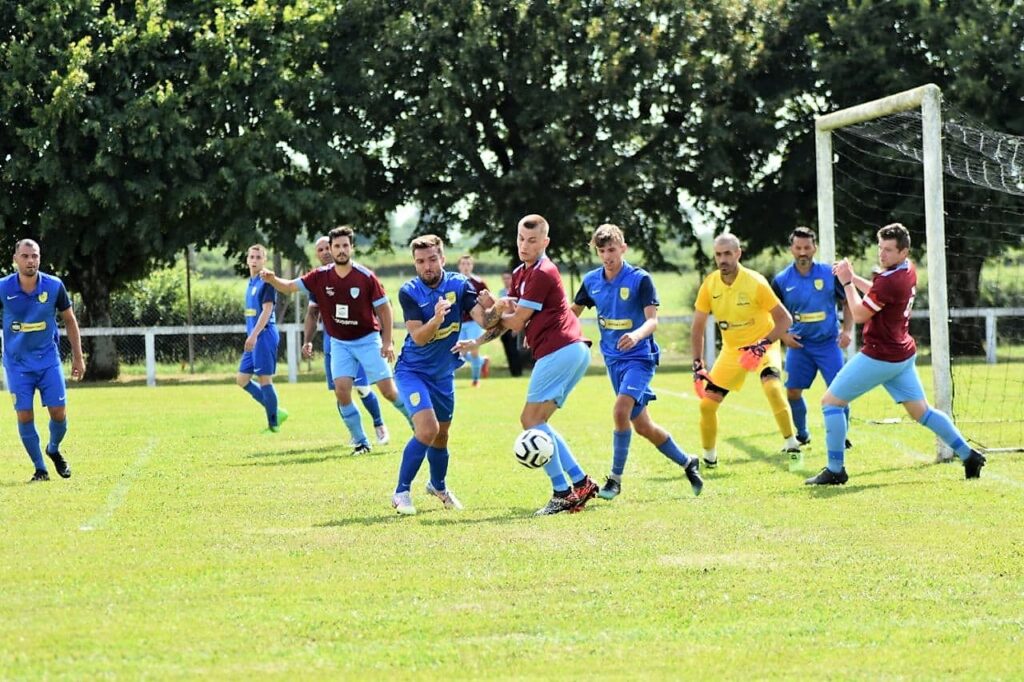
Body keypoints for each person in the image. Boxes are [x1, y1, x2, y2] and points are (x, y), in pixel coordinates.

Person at [806, 222, 986, 484]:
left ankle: (836, 470)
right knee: (922, 412)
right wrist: (855, 279)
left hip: (880, 356)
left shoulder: (892, 280)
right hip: (901, 354)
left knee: (831, 403)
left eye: (889, 250)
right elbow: (878, 293)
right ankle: (969, 455)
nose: (882, 254)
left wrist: (846, 283)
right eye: (880, 248)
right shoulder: (907, 270)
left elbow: (858, 314)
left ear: (903, 252)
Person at [456, 214, 599, 516]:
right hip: (571, 351)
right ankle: (581, 483)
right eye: (521, 238)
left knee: (529, 420)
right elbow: (503, 321)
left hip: (560, 350)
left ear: (545, 242)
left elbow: (517, 321)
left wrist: (491, 306)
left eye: (532, 240)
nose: (524, 244)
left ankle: (562, 492)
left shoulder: (543, 272)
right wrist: (477, 341)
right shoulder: (522, 273)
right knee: (540, 423)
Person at [571, 224, 703, 499]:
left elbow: (652, 320)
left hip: (640, 358)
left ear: (623, 248)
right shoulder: (592, 281)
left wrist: (636, 334)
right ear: (597, 252)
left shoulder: (640, 279)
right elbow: (571, 314)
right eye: (602, 250)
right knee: (643, 427)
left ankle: (615, 480)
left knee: (620, 411)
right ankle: (688, 461)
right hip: (613, 360)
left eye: (612, 249)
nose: (608, 256)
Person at [260, 225, 411, 454]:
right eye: (337, 246)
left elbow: (385, 310)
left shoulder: (366, 277)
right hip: (340, 342)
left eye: (345, 246)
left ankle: (418, 425)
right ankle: (361, 442)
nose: (341, 250)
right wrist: (272, 280)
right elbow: (290, 287)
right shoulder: (319, 276)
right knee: (342, 391)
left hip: (368, 339)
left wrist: (388, 341)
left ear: (351, 248)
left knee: (388, 391)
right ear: (330, 249)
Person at [390, 235, 494, 515]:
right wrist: (435, 319)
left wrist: (493, 306)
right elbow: (419, 338)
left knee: (442, 436)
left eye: (432, 259)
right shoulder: (409, 291)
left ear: (443, 259)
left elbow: (486, 322)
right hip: (412, 370)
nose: (427, 266)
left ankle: (438, 485)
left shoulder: (459, 284)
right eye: (420, 261)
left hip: (443, 373)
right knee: (427, 429)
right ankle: (401, 492)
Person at [691, 233, 801, 468]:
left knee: (772, 387)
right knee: (706, 406)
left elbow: (785, 320)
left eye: (728, 253)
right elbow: (698, 327)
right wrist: (697, 364)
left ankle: (792, 446)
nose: (723, 259)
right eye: (719, 254)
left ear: (738, 253)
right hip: (732, 352)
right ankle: (709, 460)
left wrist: (762, 344)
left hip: (764, 345)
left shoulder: (756, 282)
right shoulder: (710, 284)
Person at [0, 239, 85, 482]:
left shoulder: (54, 286)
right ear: (15, 259)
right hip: (17, 364)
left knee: (59, 413)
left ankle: (53, 448)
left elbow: (70, 320)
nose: (30, 261)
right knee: (24, 415)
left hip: (48, 361)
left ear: (40, 258)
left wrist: (78, 358)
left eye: (34, 256)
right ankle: (40, 469)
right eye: (25, 256)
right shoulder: (3, 288)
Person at [771, 226, 854, 462]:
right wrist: (784, 336)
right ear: (791, 249)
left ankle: (842, 436)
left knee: (840, 391)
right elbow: (771, 312)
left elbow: (848, 302)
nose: (802, 252)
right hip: (800, 346)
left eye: (807, 247)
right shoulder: (781, 280)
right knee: (793, 391)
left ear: (814, 248)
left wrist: (847, 330)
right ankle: (802, 433)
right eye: (798, 248)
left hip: (828, 344)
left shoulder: (829, 274)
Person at [302, 236, 389, 445]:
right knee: (341, 392)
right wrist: (308, 340)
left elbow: (381, 308)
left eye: (326, 248)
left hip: (360, 340)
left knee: (363, 387)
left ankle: (379, 425)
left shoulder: (358, 275)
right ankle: (356, 434)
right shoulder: (318, 281)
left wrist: (385, 338)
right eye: (320, 249)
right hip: (334, 342)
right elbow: (312, 314)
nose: (324, 252)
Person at [236, 244, 287, 433]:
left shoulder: (266, 282)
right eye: (252, 257)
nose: (255, 260)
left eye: (259, 257)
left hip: (263, 336)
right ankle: (275, 411)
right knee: (242, 379)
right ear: (247, 259)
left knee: (265, 380)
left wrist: (254, 336)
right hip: (254, 337)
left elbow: (267, 311)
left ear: (264, 260)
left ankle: (273, 424)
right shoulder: (251, 283)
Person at [456, 254, 490, 386]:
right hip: (459, 322)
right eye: (463, 264)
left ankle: (476, 380)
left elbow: (488, 301)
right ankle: (483, 361)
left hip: (474, 322)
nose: (465, 267)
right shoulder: (453, 282)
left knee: (474, 351)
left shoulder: (479, 283)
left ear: (472, 266)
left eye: (468, 264)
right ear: (459, 266)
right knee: (461, 353)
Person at [497, 271, 524, 377]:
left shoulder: (516, 293)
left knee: (514, 349)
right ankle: (512, 371)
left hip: (513, 324)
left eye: (508, 278)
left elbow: (518, 310)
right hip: (504, 325)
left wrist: (516, 328)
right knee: (507, 348)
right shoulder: (501, 293)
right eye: (504, 278)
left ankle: (518, 372)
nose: (506, 280)